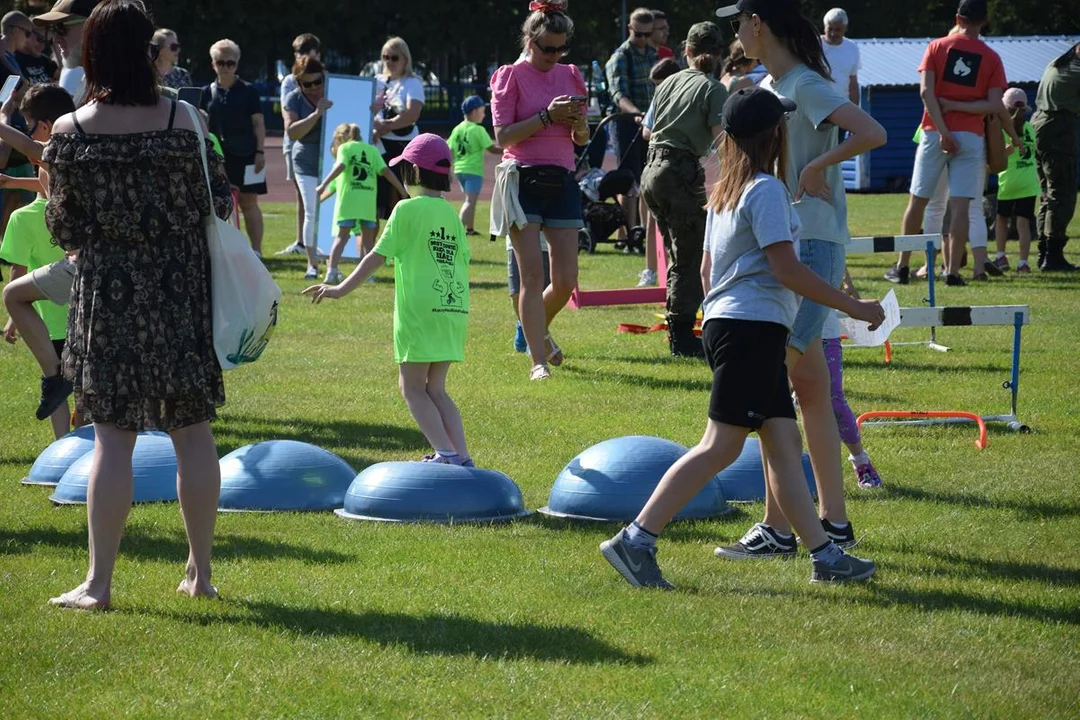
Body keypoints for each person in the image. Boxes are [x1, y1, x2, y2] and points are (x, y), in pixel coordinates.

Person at [599, 87, 884, 589]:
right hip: (750, 330)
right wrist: (853, 306)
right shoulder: (766, 190)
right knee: (720, 446)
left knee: (782, 440)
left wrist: (723, 318)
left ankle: (825, 555)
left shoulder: (726, 193)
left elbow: (709, 271)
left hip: (737, 327)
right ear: (774, 133)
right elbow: (787, 268)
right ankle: (636, 539)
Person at [42, 0, 233, 610]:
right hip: (180, 290)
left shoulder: (70, 132)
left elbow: (64, 229)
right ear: (149, 51)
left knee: (113, 441)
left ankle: (98, 584)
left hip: (109, 295)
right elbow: (220, 202)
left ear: (93, 52)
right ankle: (200, 574)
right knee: (193, 432)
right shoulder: (187, 121)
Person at [718, 0, 887, 553]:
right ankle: (832, 521)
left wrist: (816, 167)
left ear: (758, 24)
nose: (737, 32)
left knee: (772, 393)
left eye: (739, 22)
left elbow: (871, 132)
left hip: (809, 243)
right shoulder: (771, 81)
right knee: (809, 390)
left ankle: (779, 529)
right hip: (803, 239)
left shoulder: (804, 84)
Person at [304, 134, 474, 466]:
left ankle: (447, 454)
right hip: (453, 310)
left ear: (412, 172)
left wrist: (339, 289)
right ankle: (463, 458)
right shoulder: (452, 215)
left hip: (420, 312)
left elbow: (374, 258)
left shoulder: (405, 209)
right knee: (436, 389)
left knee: (411, 388)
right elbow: (461, 259)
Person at [890, 0, 1021, 287]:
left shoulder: (936, 47)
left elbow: (926, 92)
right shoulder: (992, 57)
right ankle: (952, 272)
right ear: (984, 21)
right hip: (972, 138)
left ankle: (901, 267)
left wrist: (943, 129)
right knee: (962, 206)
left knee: (919, 201)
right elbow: (993, 103)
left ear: (957, 17)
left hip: (933, 133)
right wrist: (962, 110)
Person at [490, 0, 589, 381]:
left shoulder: (571, 75)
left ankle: (532, 328)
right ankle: (537, 361)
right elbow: (502, 137)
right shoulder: (510, 76)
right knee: (532, 277)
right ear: (530, 40)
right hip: (522, 178)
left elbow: (581, 137)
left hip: (561, 178)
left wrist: (578, 125)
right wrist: (547, 115)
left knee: (565, 280)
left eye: (561, 47)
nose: (554, 55)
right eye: (547, 47)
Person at [641, 22, 727, 357]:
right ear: (718, 54)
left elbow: (648, 132)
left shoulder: (668, 82)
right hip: (679, 173)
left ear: (686, 51)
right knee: (689, 256)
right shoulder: (712, 88)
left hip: (652, 171)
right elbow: (722, 140)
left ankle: (680, 328)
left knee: (679, 254)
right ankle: (681, 337)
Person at [0, 84, 77, 439]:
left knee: (13, 295)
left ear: (46, 125)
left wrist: (2, 119)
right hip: (109, 263)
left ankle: (52, 377)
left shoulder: (60, 146)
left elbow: (32, 149)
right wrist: (14, 180)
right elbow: (47, 182)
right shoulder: (87, 140)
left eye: (32, 125)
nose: (31, 133)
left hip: (81, 263)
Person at [316, 122, 409, 284]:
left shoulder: (345, 149)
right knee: (368, 242)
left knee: (341, 237)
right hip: (367, 203)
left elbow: (340, 167)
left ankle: (331, 271)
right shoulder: (372, 150)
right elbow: (386, 171)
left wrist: (323, 184)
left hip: (349, 202)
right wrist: (401, 190)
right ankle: (368, 275)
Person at [203, 39, 265, 256]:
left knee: (249, 202)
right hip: (217, 157)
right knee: (218, 203)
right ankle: (224, 251)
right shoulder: (205, 92)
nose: (226, 67)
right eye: (221, 62)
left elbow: (258, 123)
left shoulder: (249, 91)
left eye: (230, 63)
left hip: (248, 154)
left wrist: (260, 152)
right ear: (213, 64)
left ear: (237, 64)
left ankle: (256, 250)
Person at [605, 8, 656, 233]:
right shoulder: (620, 57)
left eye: (647, 34)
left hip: (649, 123)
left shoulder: (653, 56)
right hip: (626, 122)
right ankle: (627, 234)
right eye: (639, 34)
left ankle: (638, 231)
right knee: (629, 179)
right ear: (630, 30)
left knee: (647, 176)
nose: (643, 39)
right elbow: (618, 94)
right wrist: (636, 113)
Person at [822, 301, 883, 488]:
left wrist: (854, 305)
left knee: (835, 402)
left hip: (823, 333)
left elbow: (827, 286)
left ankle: (861, 461)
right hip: (779, 328)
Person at [1032, 41, 1080, 272]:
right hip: (1057, 128)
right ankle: (1053, 256)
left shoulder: (1058, 63)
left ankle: (1045, 253)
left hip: (1040, 124)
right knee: (1063, 193)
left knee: (1048, 194)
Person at [283, 54, 331, 279]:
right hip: (306, 161)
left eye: (318, 81)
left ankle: (333, 264)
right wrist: (316, 114)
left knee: (334, 213)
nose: (313, 88)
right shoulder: (293, 98)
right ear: (298, 83)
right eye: (306, 84)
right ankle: (312, 265)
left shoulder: (336, 90)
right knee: (312, 210)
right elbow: (292, 131)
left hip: (335, 161)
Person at [637, 56, 680, 289]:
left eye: (660, 84)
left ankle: (676, 270)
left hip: (682, 167)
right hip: (657, 163)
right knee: (654, 222)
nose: (657, 89)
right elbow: (646, 130)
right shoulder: (659, 98)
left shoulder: (686, 95)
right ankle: (650, 270)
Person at [276, 33, 320, 257]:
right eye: (299, 54)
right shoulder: (291, 85)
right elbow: (291, 126)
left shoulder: (325, 79)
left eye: (307, 53)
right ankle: (303, 242)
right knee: (303, 195)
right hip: (297, 146)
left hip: (323, 150)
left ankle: (315, 243)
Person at [374, 37, 424, 221]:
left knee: (401, 195)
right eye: (385, 57)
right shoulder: (377, 81)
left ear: (405, 59)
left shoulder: (412, 83)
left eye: (394, 57)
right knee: (376, 200)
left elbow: (412, 114)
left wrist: (384, 127)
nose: (389, 62)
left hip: (403, 147)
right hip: (378, 145)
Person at [993, 87, 1038, 274]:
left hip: (1008, 181)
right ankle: (1023, 263)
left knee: (1001, 220)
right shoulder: (1029, 128)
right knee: (1023, 224)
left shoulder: (1002, 129)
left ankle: (1001, 256)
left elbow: (1000, 154)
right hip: (1029, 182)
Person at [449, 95, 500, 235]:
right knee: (470, 201)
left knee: (469, 200)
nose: (484, 114)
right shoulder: (478, 130)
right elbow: (492, 148)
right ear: (474, 111)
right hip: (473, 170)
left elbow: (450, 149)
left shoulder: (457, 129)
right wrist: (509, 148)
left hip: (459, 169)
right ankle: (457, 230)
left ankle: (469, 229)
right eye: (483, 111)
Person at [32, 0, 99, 106]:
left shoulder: (116, 80)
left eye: (61, 28)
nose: (55, 39)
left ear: (92, 25)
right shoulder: (94, 76)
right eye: (52, 29)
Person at [820, 8, 860, 106]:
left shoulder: (852, 48)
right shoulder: (814, 45)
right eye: (830, 29)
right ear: (824, 27)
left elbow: (853, 83)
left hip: (841, 106)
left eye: (838, 29)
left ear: (845, 28)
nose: (833, 33)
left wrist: (855, 110)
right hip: (817, 105)